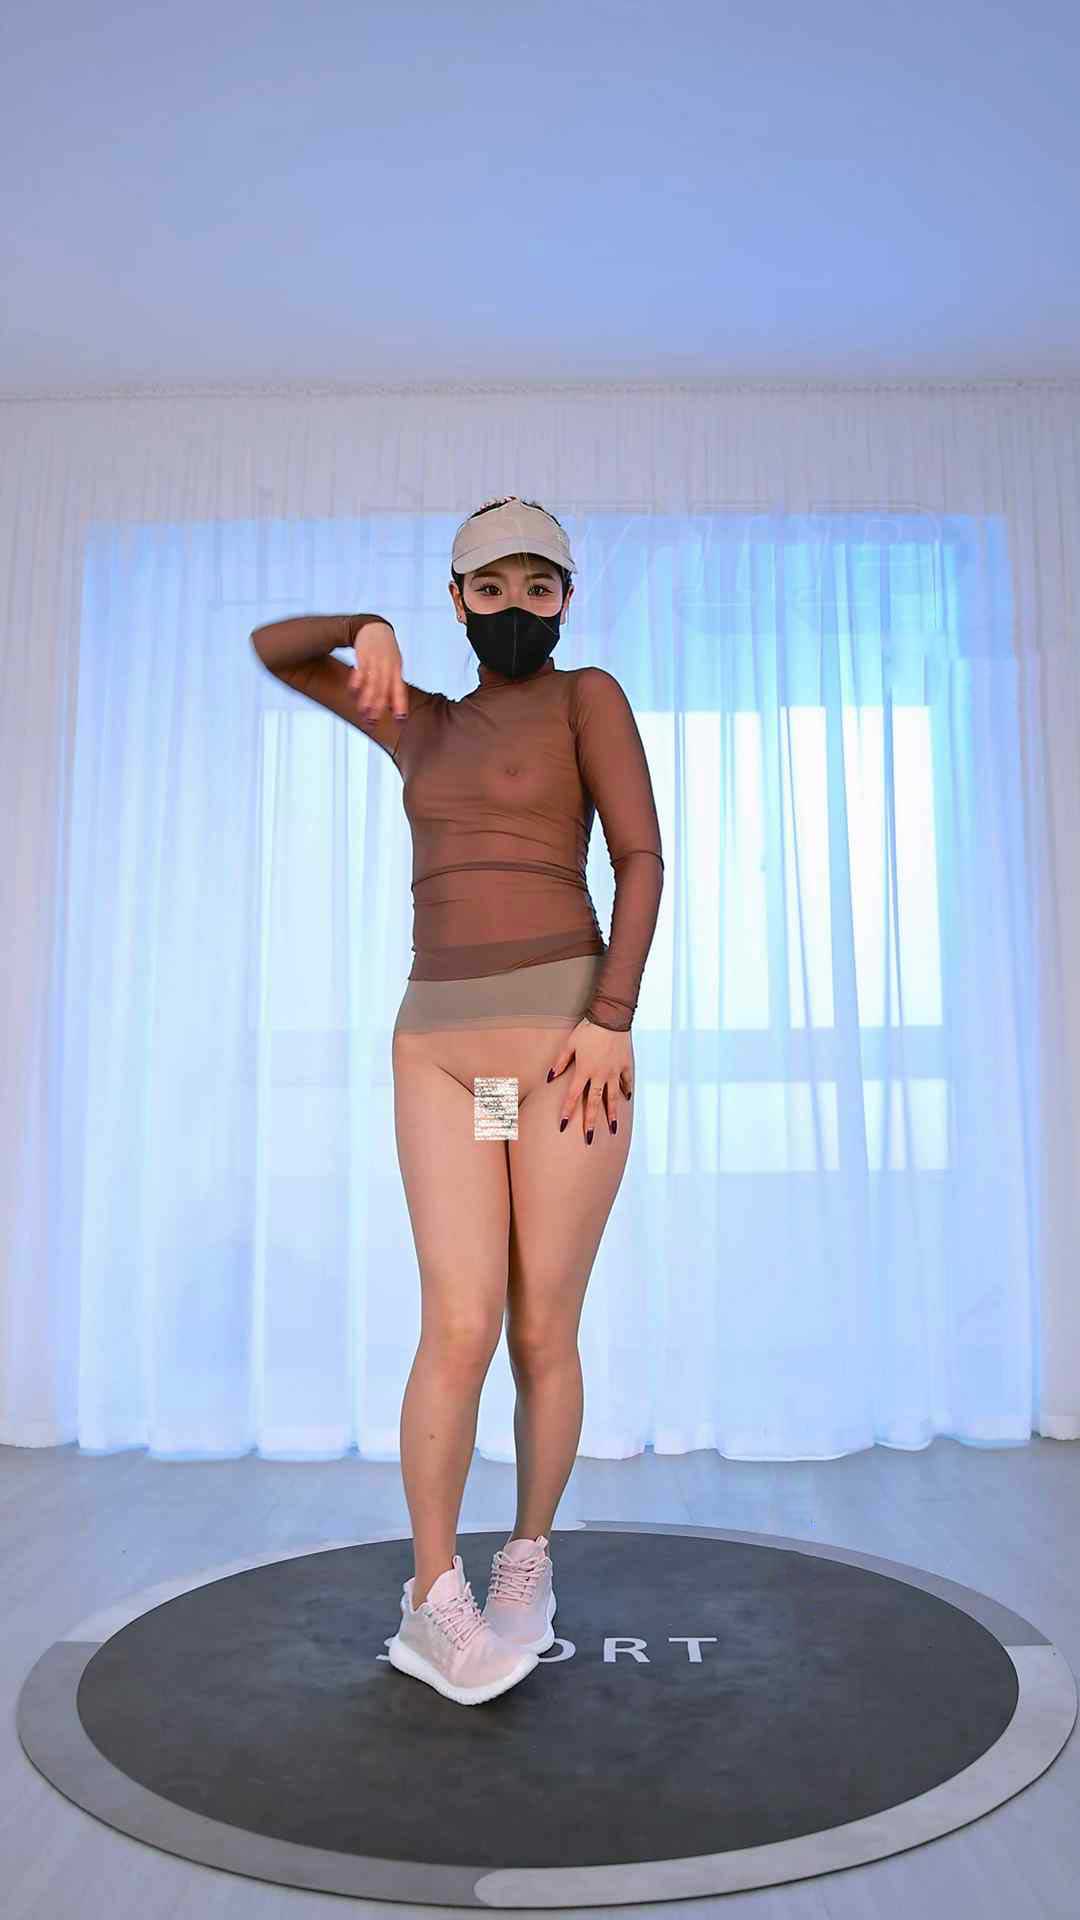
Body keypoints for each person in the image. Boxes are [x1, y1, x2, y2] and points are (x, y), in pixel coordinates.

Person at [250, 496, 664, 1706]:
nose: (516, 607)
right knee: (460, 1321)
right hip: (446, 1059)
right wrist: (362, 625)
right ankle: (433, 1597)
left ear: (567, 599)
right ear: (457, 601)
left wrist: (613, 1017)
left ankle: (526, 1557)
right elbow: (277, 650)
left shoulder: (587, 697)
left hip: (565, 1055)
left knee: (542, 1327)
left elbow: (640, 857)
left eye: (539, 587)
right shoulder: (415, 720)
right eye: (492, 588)